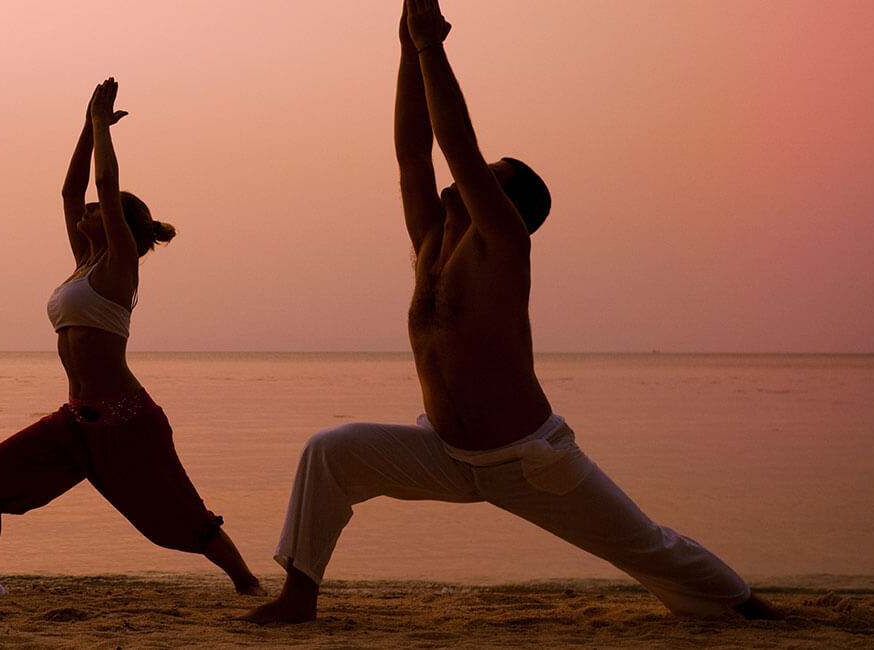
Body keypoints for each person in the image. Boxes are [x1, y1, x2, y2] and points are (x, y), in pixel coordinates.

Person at [244, 0, 779, 623]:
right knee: (330, 451)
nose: (462, 181)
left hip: (530, 462)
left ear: (504, 203)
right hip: (446, 453)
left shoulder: (503, 241)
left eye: (487, 178)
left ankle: (749, 609)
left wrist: (429, 47)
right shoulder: (432, 247)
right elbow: (412, 155)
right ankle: (298, 599)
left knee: (649, 549)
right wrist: (403, 50)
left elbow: (456, 146)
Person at [0, 79, 263, 595]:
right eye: (88, 210)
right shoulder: (81, 263)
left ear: (120, 227)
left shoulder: (119, 265)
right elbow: (71, 191)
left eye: (98, 210)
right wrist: (85, 127)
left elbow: (106, 189)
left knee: (178, 518)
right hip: (75, 422)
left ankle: (247, 582)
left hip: (128, 422)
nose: (87, 208)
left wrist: (102, 128)